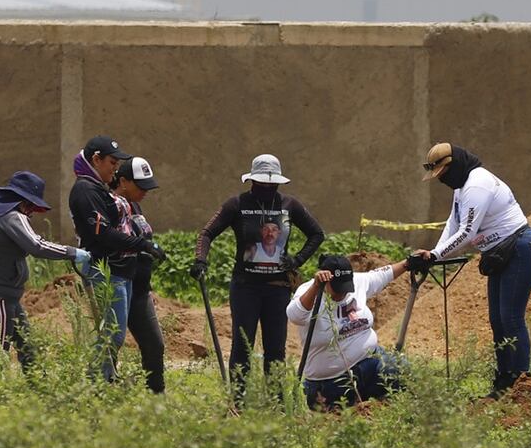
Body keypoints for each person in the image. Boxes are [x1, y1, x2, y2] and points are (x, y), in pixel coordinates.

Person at [411, 143, 531, 399]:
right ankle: (504, 384)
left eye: (443, 173)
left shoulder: (476, 184)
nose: (443, 180)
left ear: (455, 164)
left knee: (511, 318)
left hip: (519, 248)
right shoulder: (462, 187)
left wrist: (437, 255)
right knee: (498, 320)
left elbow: (467, 232)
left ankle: (521, 384)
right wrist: (433, 254)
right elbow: (454, 222)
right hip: (498, 254)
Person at [191, 154, 325, 397]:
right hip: (245, 288)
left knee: (276, 350)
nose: (266, 188)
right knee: (242, 347)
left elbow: (316, 234)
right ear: (252, 181)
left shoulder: (290, 205)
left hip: (278, 288)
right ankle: (238, 402)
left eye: (271, 184)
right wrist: (200, 259)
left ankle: (275, 402)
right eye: (261, 183)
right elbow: (206, 233)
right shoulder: (237, 204)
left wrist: (297, 260)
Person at [68, 135, 166, 382]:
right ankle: (98, 384)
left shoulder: (100, 190)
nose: (114, 167)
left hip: (126, 277)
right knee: (113, 335)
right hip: (107, 271)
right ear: (96, 160)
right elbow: (104, 234)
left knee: (119, 336)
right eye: (112, 162)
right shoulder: (85, 190)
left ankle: (110, 382)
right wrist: (143, 244)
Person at [0, 171, 90, 371]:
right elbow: (37, 246)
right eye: (30, 206)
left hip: (2, 297)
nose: (31, 212)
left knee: (27, 348)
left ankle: (39, 395)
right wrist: (72, 252)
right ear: (21, 200)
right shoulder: (11, 216)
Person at [288, 254, 411, 410]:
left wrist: (408, 263)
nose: (343, 293)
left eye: (346, 287)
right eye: (338, 288)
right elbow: (294, 315)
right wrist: (315, 288)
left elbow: (382, 274)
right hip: (331, 381)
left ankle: (374, 401)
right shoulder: (309, 291)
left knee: (401, 370)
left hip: (370, 365)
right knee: (339, 412)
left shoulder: (357, 281)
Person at [111, 156, 166, 394]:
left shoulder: (134, 205)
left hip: (140, 289)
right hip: (119, 284)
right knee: (112, 343)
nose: (145, 191)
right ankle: (105, 395)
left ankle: (156, 398)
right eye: (140, 186)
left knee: (154, 344)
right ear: (123, 181)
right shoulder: (110, 204)